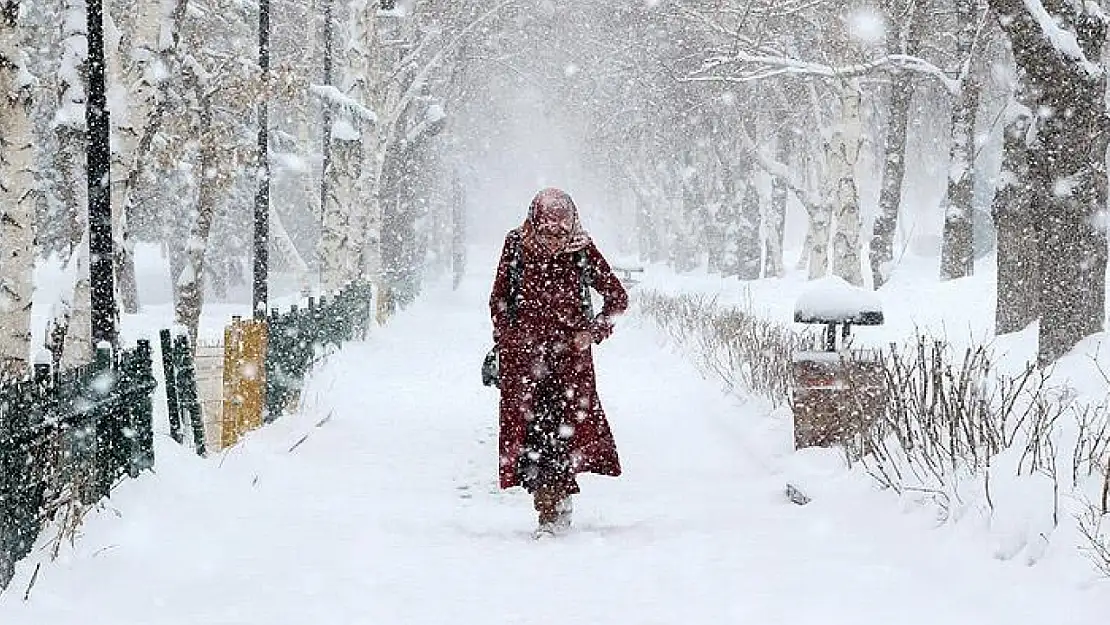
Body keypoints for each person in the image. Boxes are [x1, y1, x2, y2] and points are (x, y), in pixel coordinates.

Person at [489, 187, 629, 537]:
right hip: (525, 364)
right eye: (548, 230)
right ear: (535, 222)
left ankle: (555, 506)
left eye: (561, 232)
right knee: (532, 437)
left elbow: (617, 298)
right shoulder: (516, 245)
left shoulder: (581, 249)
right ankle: (547, 506)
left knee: (562, 435)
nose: (554, 239)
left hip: (570, 366)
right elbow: (499, 299)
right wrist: (509, 338)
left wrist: (593, 332)